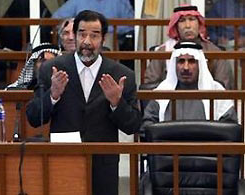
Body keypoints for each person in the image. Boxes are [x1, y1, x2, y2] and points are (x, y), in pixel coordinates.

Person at [26, 10, 141, 195]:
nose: (87, 41)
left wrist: (116, 103)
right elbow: (33, 117)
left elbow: (133, 125)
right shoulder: (52, 69)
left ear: (103, 39)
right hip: (63, 161)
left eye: (94, 35)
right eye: (82, 34)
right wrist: (52, 96)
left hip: (104, 166)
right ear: (75, 35)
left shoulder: (122, 74)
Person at [141, 42, 237, 131]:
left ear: (200, 64)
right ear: (174, 64)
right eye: (181, 61)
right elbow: (147, 126)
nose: (186, 67)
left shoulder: (216, 91)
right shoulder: (162, 92)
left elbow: (230, 129)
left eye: (191, 61)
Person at [144, 5, 234, 90]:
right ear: (176, 26)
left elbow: (223, 87)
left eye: (191, 19)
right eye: (182, 20)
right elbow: (149, 85)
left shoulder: (214, 52)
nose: (187, 25)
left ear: (199, 24)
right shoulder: (164, 51)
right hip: (171, 103)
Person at [52, 0, 134, 50]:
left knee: (107, 37)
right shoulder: (77, 1)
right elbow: (56, 18)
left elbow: (131, 24)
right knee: (74, 35)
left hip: (111, 37)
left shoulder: (120, 2)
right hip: (82, 36)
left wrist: (107, 29)